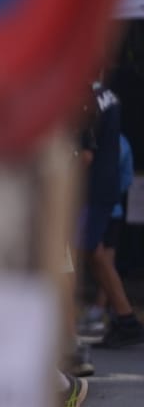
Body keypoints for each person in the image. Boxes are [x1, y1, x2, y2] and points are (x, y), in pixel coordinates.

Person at [84, 81, 142, 350]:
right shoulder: (109, 98)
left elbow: (86, 154)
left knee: (78, 255)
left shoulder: (89, 97)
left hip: (92, 190)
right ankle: (125, 318)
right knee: (96, 255)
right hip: (105, 191)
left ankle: (124, 317)